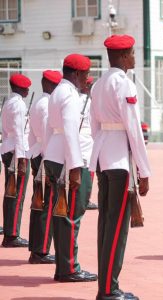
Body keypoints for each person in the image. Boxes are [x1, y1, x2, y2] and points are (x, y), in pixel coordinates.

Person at [90, 34, 150, 300]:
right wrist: (144, 170)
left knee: (106, 225)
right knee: (116, 229)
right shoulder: (123, 84)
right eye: (133, 53)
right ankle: (109, 290)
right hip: (119, 162)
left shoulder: (98, 84)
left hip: (103, 158)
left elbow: (93, 126)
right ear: (124, 57)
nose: (134, 58)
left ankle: (105, 286)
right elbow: (134, 130)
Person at [43, 54, 97, 282]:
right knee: (72, 215)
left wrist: (47, 159)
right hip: (69, 160)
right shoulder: (70, 95)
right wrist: (75, 166)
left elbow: (49, 129)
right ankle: (69, 268)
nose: (86, 80)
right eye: (85, 75)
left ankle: (64, 266)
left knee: (61, 213)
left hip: (55, 155)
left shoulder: (57, 92)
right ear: (76, 74)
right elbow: (71, 131)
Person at [27, 70, 62, 264]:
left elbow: (31, 134)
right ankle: (40, 251)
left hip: (36, 151)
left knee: (38, 203)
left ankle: (36, 247)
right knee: (47, 204)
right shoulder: (48, 105)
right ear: (51, 85)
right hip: (45, 155)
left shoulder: (37, 103)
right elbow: (49, 136)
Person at [1, 73, 32, 248]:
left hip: (8, 148)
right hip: (16, 152)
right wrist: (21, 158)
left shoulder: (8, 103)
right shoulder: (19, 104)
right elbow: (20, 133)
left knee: (10, 193)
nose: (28, 90)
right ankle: (12, 235)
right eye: (26, 88)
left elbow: (6, 132)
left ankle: (9, 232)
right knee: (16, 195)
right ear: (20, 89)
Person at [79, 76, 98, 211]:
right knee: (88, 170)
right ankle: (85, 198)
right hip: (87, 137)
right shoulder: (89, 102)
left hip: (78, 137)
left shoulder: (75, 98)